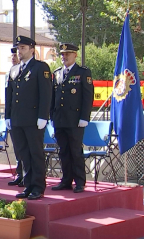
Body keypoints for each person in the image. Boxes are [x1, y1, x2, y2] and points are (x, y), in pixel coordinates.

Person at [5, 36, 52, 200]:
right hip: (17, 119)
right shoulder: (14, 70)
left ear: (32, 49)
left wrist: (43, 116)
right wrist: (7, 116)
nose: (20, 50)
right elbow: (9, 95)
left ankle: (38, 186)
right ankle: (28, 184)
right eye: (19, 48)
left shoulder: (40, 68)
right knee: (23, 154)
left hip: (33, 119)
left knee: (35, 153)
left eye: (23, 47)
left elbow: (46, 94)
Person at [50, 43, 94, 193]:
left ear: (75, 55)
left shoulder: (82, 72)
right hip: (60, 119)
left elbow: (88, 97)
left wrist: (84, 117)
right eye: (62, 54)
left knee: (75, 151)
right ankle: (66, 180)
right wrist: (51, 116)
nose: (64, 57)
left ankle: (80, 181)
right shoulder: (57, 73)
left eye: (67, 54)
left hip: (75, 120)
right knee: (63, 151)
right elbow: (53, 97)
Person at [7, 47, 24, 187]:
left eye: (15, 55)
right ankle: (20, 173)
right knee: (17, 148)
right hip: (14, 116)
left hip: (26, 117)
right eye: (12, 56)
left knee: (25, 149)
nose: (14, 57)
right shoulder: (11, 72)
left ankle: (26, 175)